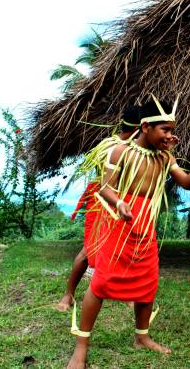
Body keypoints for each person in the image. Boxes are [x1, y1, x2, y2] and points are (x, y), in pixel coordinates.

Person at [66, 97, 190, 368]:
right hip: (118, 226)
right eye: (165, 130)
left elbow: (188, 183)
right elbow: (105, 188)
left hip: (145, 229)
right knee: (100, 284)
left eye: (172, 130)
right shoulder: (120, 152)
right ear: (146, 127)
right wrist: (119, 203)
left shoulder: (165, 157)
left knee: (147, 285)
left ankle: (141, 336)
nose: (171, 135)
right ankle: (81, 344)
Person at [57, 106, 141, 312]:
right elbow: (106, 183)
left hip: (124, 199)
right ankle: (68, 295)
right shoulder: (111, 146)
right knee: (89, 250)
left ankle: (127, 293)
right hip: (101, 200)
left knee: (127, 247)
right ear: (140, 128)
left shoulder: (136, 148)